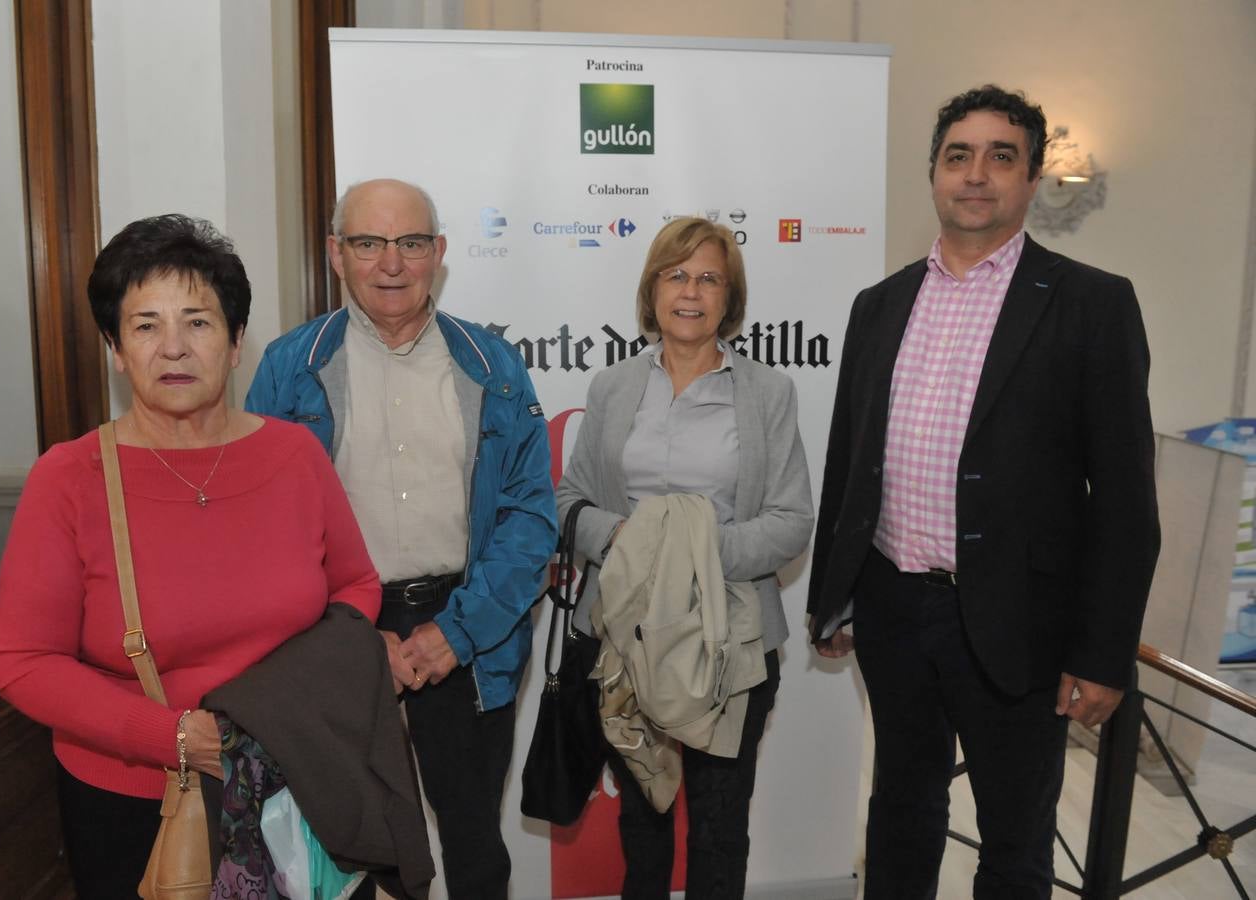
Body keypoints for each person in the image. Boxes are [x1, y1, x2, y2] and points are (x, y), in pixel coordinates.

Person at [806, 85, 1160, 898]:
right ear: (933, 174)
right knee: (901, 807)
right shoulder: (881, 305)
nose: (976, 174)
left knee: (1014, 839)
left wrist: (1103, 654)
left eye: (1002, 156)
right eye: (957, 156)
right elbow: (850, 460)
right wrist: (835, 596)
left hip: (1018, 622)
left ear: (1031, 179)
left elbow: (1126, 503)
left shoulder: (1092, 304)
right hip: (894, 609)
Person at [0, 214, 383, 898]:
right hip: (135, 801)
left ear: (236, 343)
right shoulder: (69, 477)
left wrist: (299, 704)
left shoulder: (294, 455)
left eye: (198, 322)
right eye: (145, 325)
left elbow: (355, 585)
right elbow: (23, 661)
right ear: (115, 347)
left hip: (295, 780)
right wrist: (172, 735)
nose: (173, 347)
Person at [245, 178, 557, 898]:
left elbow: (530, 515)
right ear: (336, 253)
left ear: (438, 253)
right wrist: (351, 635)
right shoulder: (290, 368)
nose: (392, 262)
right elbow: (265, 527)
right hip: (335, 632)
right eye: (368, 243)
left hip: (467, 627)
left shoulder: (492, 366)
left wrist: (459, 632)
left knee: (476, 843)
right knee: (352, 843)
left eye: (411, 243)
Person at [556, 216, 814, 899]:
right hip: (624, 639)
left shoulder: (768, 394)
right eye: (675, 275)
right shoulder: (613, 389)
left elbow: (791, 522)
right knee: (642, 823)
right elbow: (571, 500)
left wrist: (685, 553)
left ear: (730, 298)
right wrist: (629, 543)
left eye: (708, 277)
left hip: (734, 640)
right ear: (652, 290)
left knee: (720, 828)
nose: (690, 291)